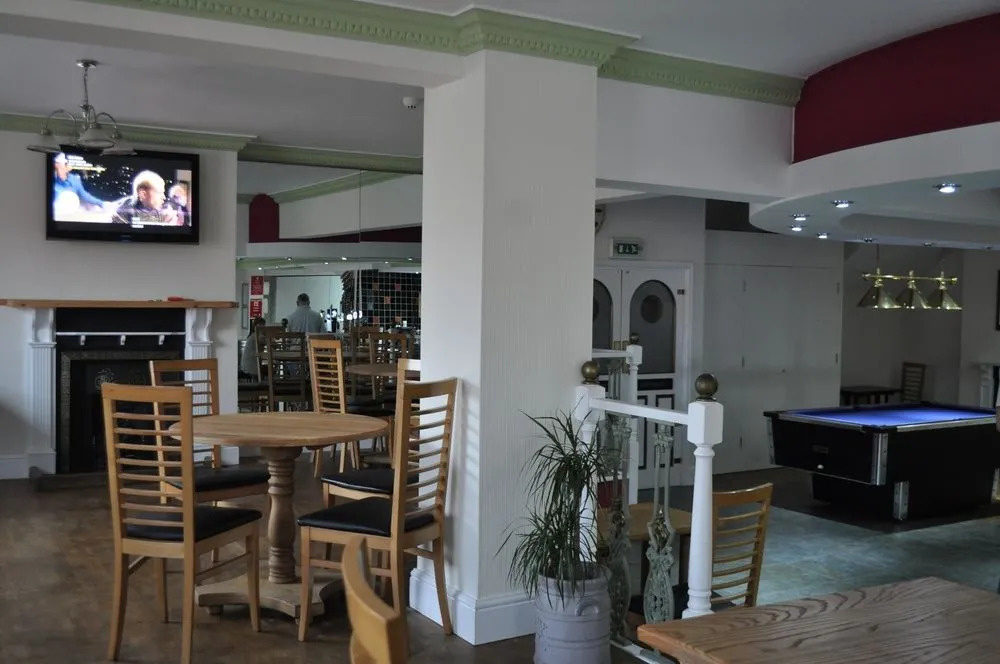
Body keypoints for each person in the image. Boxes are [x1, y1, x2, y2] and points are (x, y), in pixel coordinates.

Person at [111, 170, 180, 226]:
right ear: (143, 194)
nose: (164, 197)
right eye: (159, 192)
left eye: (163, 193)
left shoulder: (165, 212)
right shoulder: (123, 212)